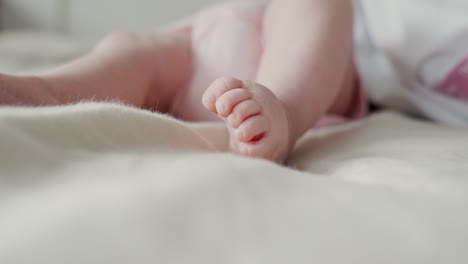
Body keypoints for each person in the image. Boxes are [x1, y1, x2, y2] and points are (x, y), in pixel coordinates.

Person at [0, 0, 364, 162]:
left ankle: (282, 114)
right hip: (199, 43)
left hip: (313, 63)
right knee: (132, 52)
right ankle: (44, 91)